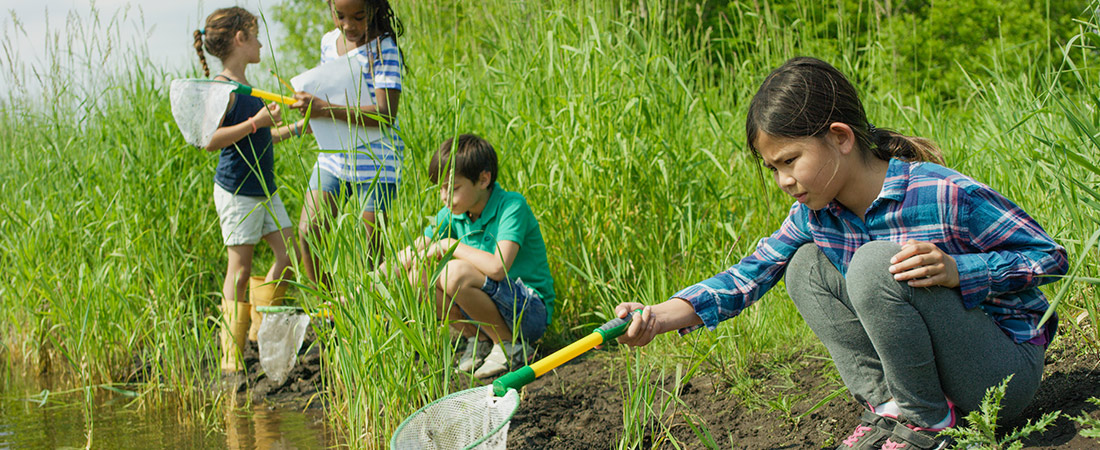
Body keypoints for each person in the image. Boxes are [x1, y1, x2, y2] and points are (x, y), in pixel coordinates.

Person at [614, 57, 1068, 449]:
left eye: (790, 161)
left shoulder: (941, 192)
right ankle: (891, 407)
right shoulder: (815, 216)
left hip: (999, 374)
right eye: (773, 169)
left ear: (840, 137)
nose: (783, 181)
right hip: (936, 375)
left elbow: (1050, 257)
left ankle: (926, 423)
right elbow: (748, 276)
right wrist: (657, 316)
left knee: (873, 263)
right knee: (803, 267)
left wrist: (958, 270)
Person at [193, 6, 306, 374]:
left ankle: (255, 329)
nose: (260, 43)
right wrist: (255, 121)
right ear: (240, 39)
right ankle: (231, 358)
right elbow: (210, 141)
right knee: (239, 271)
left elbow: (261, 135)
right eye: (255, 36)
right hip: (238, 190)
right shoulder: (224, 89)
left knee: (289, 253)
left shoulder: (249, 89)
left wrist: (292, 129)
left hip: (265, 189)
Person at [396, 134, 555, 378]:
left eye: (454, 188)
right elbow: (412, 251)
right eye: (441, 188)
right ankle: (478, 339)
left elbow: (497, 268)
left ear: (483, 179)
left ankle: (509, 346)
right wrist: (367, 284)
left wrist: (450, 244)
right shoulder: (452, 214)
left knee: (455, 273)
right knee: (418, 276)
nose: (444, 196)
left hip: (526, 312)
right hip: (487, 309)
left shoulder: (512, 206)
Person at [290, 0, 405, 288]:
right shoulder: (329, 43)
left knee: (371, 241)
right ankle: (330, 309)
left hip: (377, 159)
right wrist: (309, 108)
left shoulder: (383, 48)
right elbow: (327, 88)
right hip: (335, 154)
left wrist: (323, 108)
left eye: (358, 17)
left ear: (375, 9)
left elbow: (385, 114)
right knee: (309, 232)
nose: (348, 25)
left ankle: (377, 311)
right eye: (340, 16)